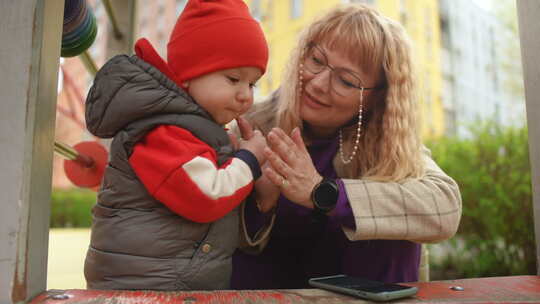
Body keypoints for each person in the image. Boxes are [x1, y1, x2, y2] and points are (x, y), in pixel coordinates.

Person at [231, 3, 462, 289]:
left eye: (345, 80)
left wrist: (320, 193)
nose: (318, 84)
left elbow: (444, 210)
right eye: (316, 60)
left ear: (378, 98)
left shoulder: (388, 142)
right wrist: (261, 204)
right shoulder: (254, 124)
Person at [83, 0, 268, 291]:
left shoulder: (186, 128)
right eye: (233, 79)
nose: (246, 95)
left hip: (164, 280)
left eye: (252, 84)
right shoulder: (163, 130)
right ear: (187, 74)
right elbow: (206, 195)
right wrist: (248, 159)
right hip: (145, 286)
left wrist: (229, 155)